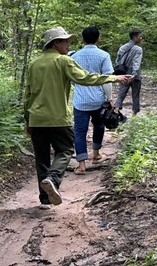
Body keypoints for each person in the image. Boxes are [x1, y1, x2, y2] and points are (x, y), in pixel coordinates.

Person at [24, 27, 134, 209]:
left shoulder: (35, 64)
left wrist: (27, 120)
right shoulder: (63, 61)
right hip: (58, 117)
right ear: (56, 43)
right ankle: (52, 178)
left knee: (41, 158)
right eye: (65, 41)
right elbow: (86, 78)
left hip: (36, 118)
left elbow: (28, 95)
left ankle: (45, 199)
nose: (68, 45)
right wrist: (114, 78)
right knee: (65, 150)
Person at [71, 25, 114, 175]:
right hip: (98, 100)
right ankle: (95, 154)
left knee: (79, 131)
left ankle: (82, 164)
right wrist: (110, 99)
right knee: (99, 125)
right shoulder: (104, 55)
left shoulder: (74, 56)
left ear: (83, 39)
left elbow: (72, 79)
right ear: (98, 39)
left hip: (80, 101)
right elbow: (106, 79)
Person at [115, 29, 143, 116]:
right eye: (140, 36)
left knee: (121, 94)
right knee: (135, 95)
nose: (141, 38)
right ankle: (134, 115)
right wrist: (134, 74)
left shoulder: (122, 47)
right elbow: (136, 62)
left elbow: (117, 60)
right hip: (135, 76)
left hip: (124, 74)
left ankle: (115, 111)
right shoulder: (138, 49)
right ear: (135, 37)